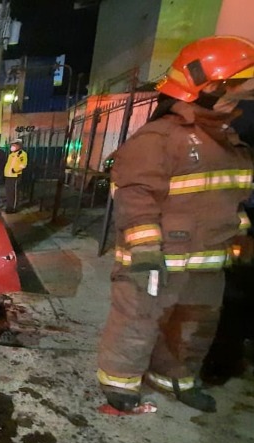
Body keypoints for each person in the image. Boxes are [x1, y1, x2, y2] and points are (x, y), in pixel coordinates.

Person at [97, 36, 254, 413]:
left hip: (207, 261)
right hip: (158, 258)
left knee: (193, 326)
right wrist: (145, 246)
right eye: (237, 88)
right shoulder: (158, 139)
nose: (243, 99)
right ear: (209, 86)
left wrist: (241, 235)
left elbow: (227, 198)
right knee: (138, 322)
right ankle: (120, 383)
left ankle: (176, 379)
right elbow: (136, 195)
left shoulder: (227, 141)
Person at [3, 138, 27, 213]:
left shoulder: (22, 154)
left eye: (14, 145)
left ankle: (13, 208)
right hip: (8, 176)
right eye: (12, 145)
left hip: (15, 176)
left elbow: (23, 165)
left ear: (19, 145)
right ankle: (9, 206)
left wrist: (15, 170)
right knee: (8, 192)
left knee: (14, 193)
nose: (12, 146)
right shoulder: (11, 154)